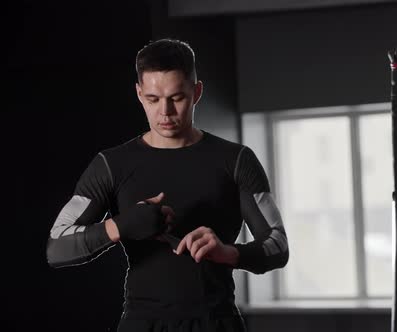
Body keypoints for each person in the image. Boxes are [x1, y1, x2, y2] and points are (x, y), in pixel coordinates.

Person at [46, 38, 289, 332]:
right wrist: (121, 226)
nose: (165, 112)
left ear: (196, 92)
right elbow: (57, 248)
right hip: (141, 323)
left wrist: (228, 253)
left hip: (216, 321)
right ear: (139, 94)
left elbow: (277, 246)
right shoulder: (111, 165)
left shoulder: (236, 159)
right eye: (153, 99)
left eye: (177, 98)